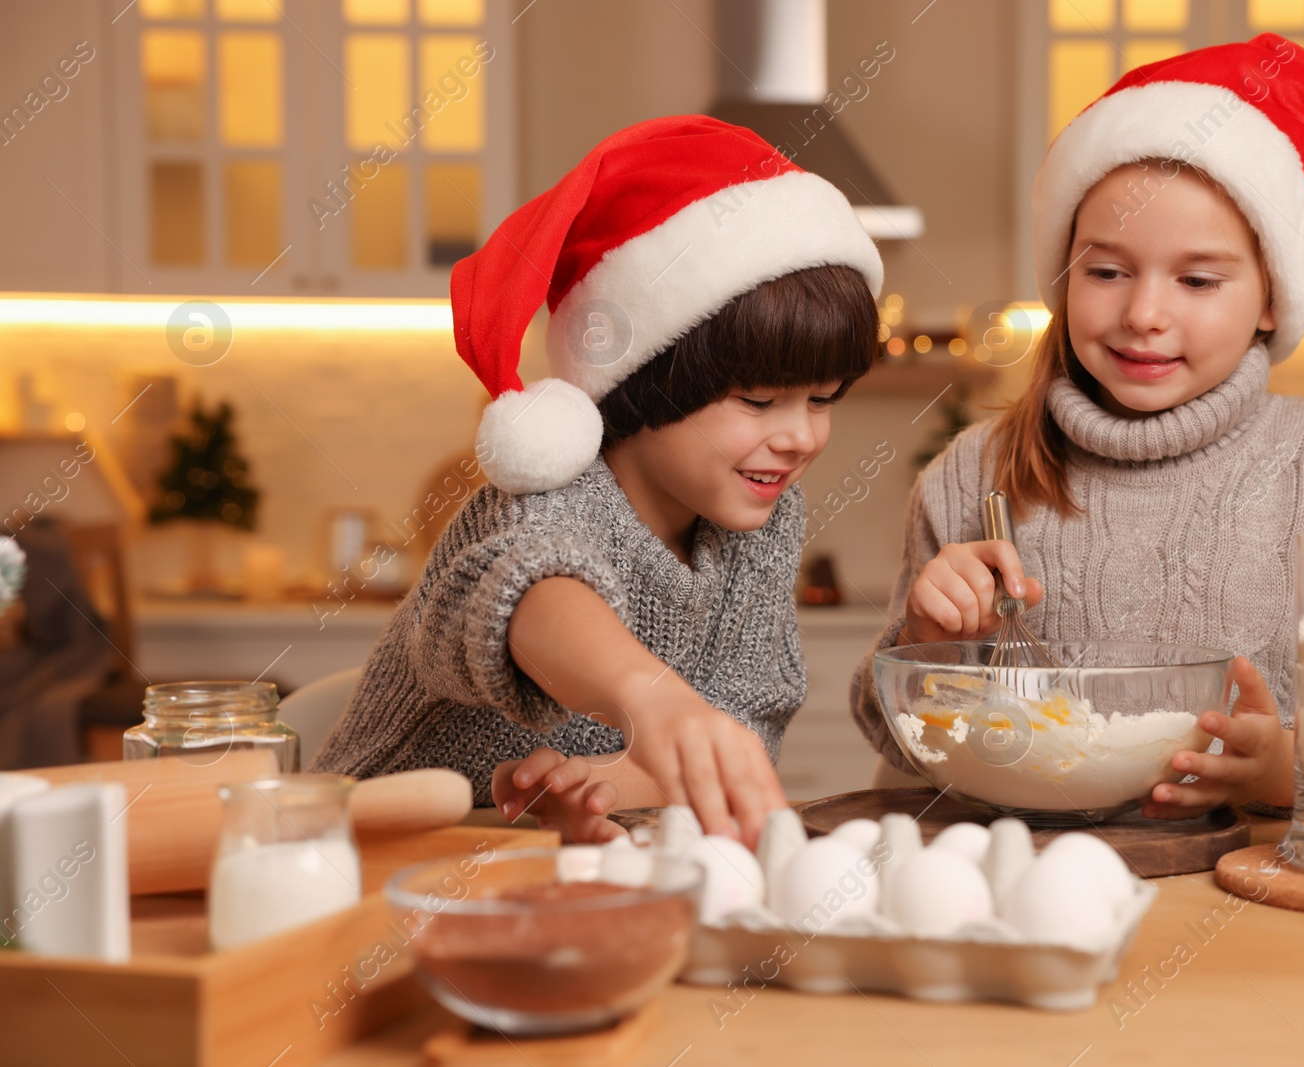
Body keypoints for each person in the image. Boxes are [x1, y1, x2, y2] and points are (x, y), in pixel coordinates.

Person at [849, 34, 1304, 819]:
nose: (1144, 314)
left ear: (1272, 298)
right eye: (1106, 271)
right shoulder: (972, 474)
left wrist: (1285, 770)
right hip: (1026, 885)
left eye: (1197, 279)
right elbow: (895, 739)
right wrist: (926, 641)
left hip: (1243, 902)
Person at [314, 116, 883, 847]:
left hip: (527, 875)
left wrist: (601, 786)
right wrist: (658, 702)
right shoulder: (545, 493)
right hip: (361, 853)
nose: (801, 435)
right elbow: (532, 591)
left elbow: (738, 730)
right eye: (758, 400)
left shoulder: (765, 524)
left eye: (823, 399)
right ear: (649, 379)